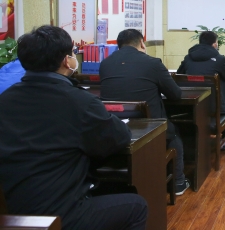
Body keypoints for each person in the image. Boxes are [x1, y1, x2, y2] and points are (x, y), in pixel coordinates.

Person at [0, 25, 147, 230]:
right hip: (60, 214)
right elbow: (120, 137)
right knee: (137, 206)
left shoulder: (5, 100)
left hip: (12, 211)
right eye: (72, 53)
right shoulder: (79, 101)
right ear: (66, 61)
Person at [100, 29, 189, 195]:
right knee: (174, 135)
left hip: (114, 126)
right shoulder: (153, 63)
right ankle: (178, 183)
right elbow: (175, 94)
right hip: (148, 129)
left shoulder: (105, 64)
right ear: (142, 43)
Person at [177, 30, 225, 150]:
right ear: (214, 44)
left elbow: (179, 75)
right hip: (214, 107)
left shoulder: (188, 58)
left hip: (191, 106)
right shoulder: (219, 59)